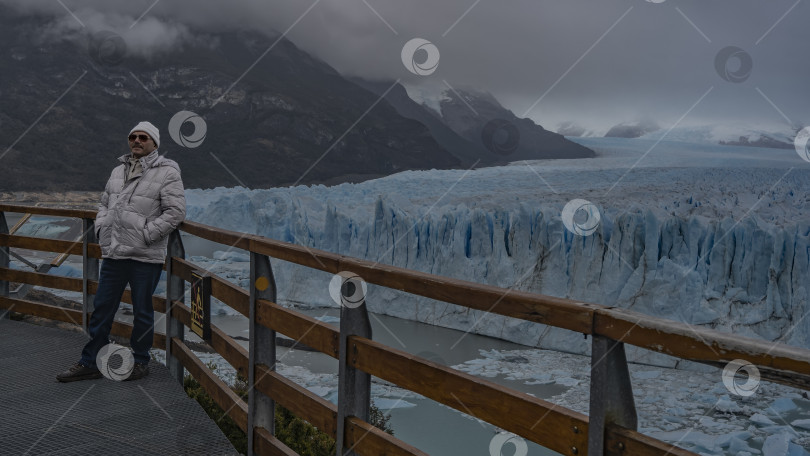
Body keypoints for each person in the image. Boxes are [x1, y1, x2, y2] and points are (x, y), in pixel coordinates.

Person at [57, 121, 186, 382]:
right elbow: (104, 203)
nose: (137, 141)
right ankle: (91, 361)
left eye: (143, 137)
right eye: (133, 137)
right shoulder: (118, 171)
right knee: (103, 307)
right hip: (115, 252)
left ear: (154, 143)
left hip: (144, 255)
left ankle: (140, 361)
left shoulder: (167, 172)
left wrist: (147, 234)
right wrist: (102, 227)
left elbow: (176, 212)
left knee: (142, 310)